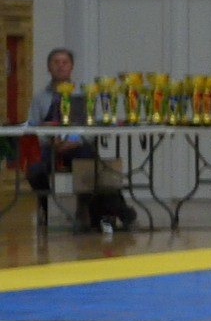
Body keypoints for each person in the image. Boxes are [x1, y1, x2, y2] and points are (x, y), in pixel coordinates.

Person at [27, 48, 135, 231]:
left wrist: (74, 140)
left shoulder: (86, 94)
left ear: (71, 67)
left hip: (77, 145)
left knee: (90, 161)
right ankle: (45, 207)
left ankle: (88, 208)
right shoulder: (40, 98)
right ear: (48, 67)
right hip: (51, 147)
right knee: (35, 169)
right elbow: (33, 126)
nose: (60, 66)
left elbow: (93, 125)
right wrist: (52, 142)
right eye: (56, 62)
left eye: (65, 62)